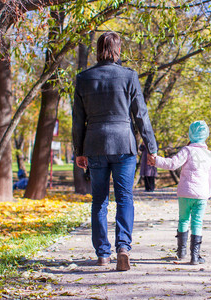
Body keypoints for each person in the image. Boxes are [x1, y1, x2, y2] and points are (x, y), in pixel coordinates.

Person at [72, 31, 157, 271]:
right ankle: (123, 248)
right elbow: (141, 114)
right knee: (124, 198)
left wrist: (79, 150)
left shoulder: (84, 78)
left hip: (95, 144)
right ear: (118, 49)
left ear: (99, 49)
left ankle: (102, 254)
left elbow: (78, 120)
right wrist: (151, 147)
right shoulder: (128, 76)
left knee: (99, 200)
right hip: (124, 144)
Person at [149, 120, 211, 265]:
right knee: (197, 222)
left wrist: (156, 161)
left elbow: (172, 164)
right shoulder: (209, 155)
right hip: (201, 195)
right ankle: (195, 256)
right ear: (206, 135)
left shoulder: (187, 150)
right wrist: (207, 193)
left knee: (183, 219)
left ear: (190, 134)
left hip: (185, 192)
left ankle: (181, 252)